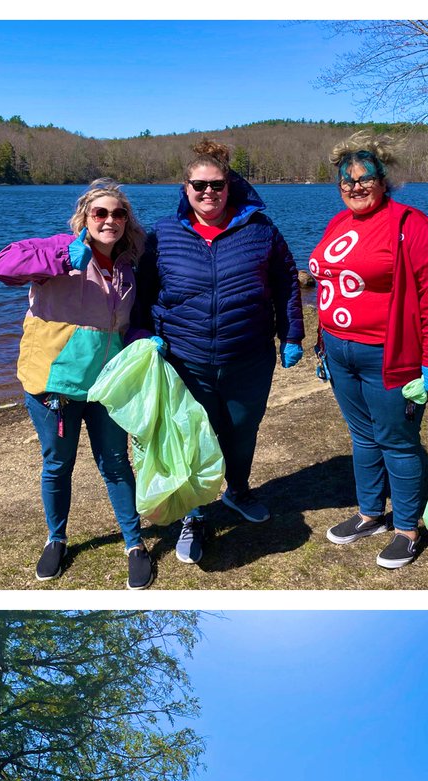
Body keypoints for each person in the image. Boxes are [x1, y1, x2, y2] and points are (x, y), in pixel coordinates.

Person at [135, 139, 304, 567]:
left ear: (230, 186)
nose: (208, 193)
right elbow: (142, 293)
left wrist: (293, 335)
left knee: (242, 431)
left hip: (248, 356)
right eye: (199, 185)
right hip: (185, 357)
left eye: (217, 185)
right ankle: (194, 515)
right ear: (184, 187)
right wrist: (140, 335)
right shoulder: (164, 233)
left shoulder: (260, 229)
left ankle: (238, 491)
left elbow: (286, 282)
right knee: (192, 440)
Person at [0, 179, 155, 589]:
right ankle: (56, 539)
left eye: (119, 214)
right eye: (100, 213)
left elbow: (121, 325)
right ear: (84, 218)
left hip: (106, 386)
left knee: (116, 463)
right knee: (58, 465)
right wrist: (62, 257)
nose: (110, 220)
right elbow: (2, 266)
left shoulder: (126, 267)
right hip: (54, 385)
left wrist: (141, 339)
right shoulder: (56, 250)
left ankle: (134, 544)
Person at [310, 130, 428, 569]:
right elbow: (330, 283)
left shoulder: (410, 224)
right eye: (346, 180)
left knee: (398, 441)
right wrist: (323, 345)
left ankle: (408, 528)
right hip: (339, 352)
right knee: (362, 438)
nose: (355, 186)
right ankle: (371, 513)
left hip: (390, 356)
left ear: (383, 178)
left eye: (364, 177)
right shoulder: (339, 223)